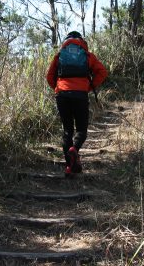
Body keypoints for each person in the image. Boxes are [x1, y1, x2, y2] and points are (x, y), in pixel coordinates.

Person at [46, 31, 108, 177]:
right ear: (81, 41)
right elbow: (102, 72)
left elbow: (49, 76)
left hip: (62, 95)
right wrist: (88, 86)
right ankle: (75, 149)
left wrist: (58, 88)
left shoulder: (60, 55)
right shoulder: (87, 55)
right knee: (81, 130)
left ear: (66, 41)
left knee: (67, 130)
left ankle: (69, 166)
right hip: (80, 94)